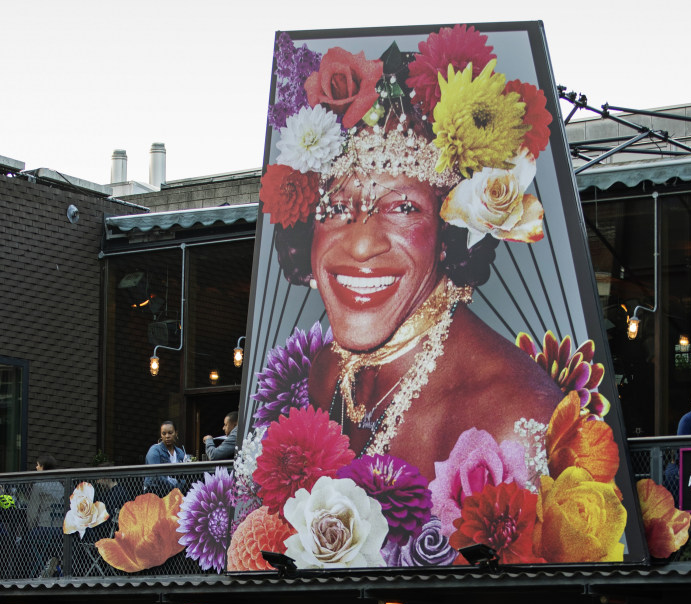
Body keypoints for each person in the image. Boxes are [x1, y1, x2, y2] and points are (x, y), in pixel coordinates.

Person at [259, 33, 566, 481]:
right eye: (337, 208)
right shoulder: (327, 373)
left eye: (403, 208)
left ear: (449, 231)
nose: (362, 243)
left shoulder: (514, 417)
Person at [25, 454, 64, 577]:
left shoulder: (38, 486)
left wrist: (30, 528)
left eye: (37, 465)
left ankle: (33, 573)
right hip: (61, 530)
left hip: (44, 528)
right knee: (49, 544)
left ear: (43, 467)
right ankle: (52, 565)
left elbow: (32, 513)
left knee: (25, 541)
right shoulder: (62, 486)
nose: (36, 467)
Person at [144, 420, 186, 496]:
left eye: (170, 433)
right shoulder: (155, 450)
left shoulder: (180, 452)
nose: (167, 436)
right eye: (164, 433)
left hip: (175, 494)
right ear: (161, 435)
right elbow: (155, 475)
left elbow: (184, 476)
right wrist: (174, 488)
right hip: (155, 492)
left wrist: (178, 488)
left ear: (176, 433)